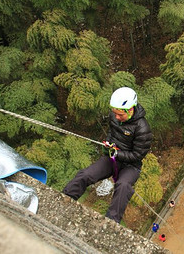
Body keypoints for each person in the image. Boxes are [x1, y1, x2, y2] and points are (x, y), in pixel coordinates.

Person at [63, 87, 153, 223]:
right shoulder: (114, 117)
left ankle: (111, 222)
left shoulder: (142, 128)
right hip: (112, 158)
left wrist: (118, 153)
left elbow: (138, 155)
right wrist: (108, 144)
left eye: (120, 115)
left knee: (123, 186)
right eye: (115, 113)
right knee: (86, 174)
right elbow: (112, 133)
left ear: (130, 110)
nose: (116, 117)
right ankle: (65, 197)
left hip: (130, 165)